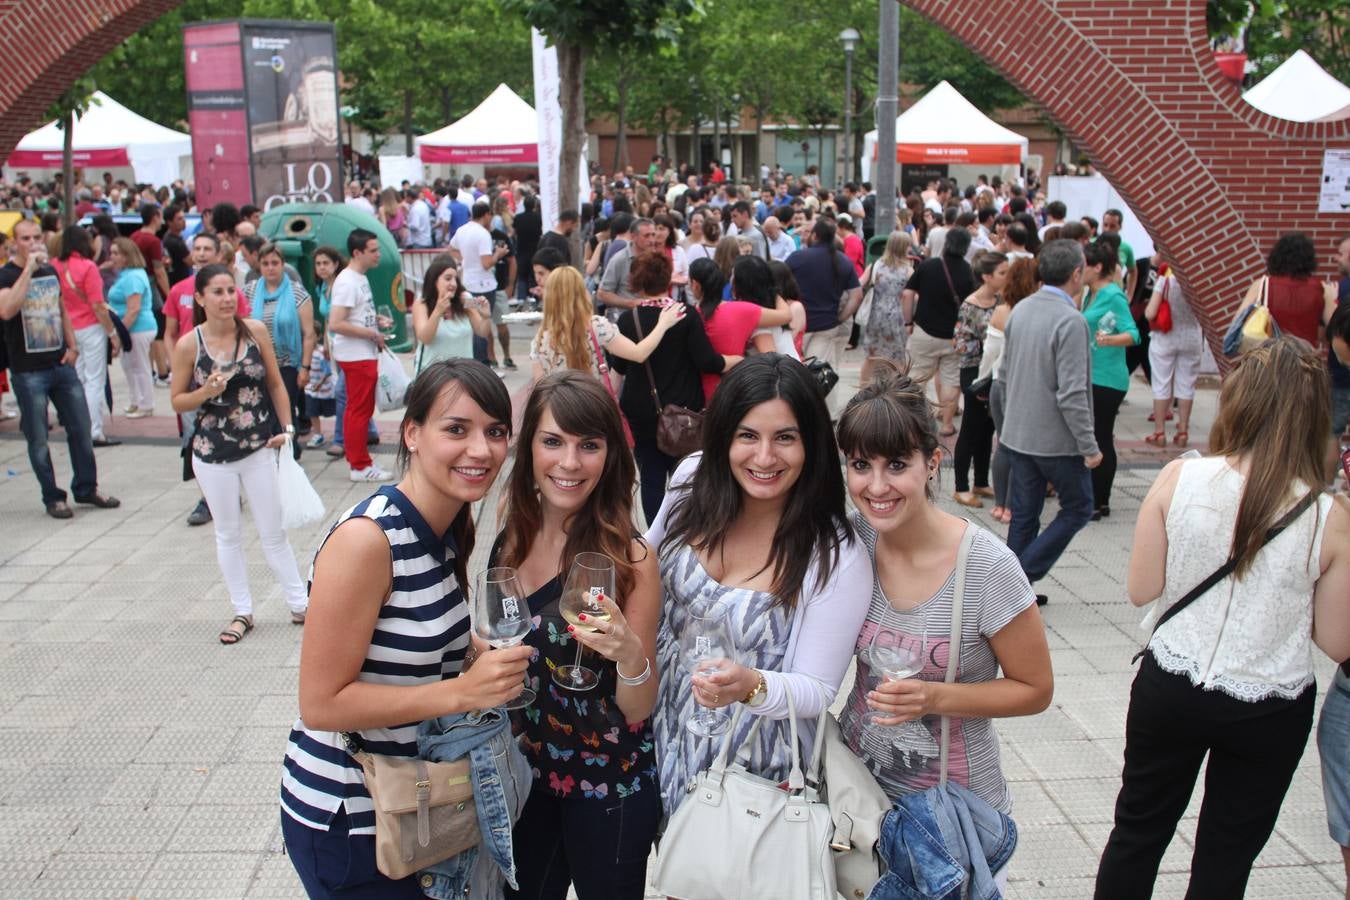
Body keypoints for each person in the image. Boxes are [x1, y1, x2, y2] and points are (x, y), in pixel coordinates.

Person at [1095, 336, 1350, 899]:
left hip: (1172, 682)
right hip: (1269, 701)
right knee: (1225, 858)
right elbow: (1337, 640)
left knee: (1137, 831)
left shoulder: (1178, 479)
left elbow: (1143, 589)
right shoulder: (1327, 516)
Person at [280, 359, 533, 898]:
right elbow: (321, 703)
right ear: (412, 433)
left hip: (411, 803)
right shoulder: (368, 541)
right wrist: (461, 692)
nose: (481, 450)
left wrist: (473, 651)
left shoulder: (445, 525)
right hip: (351, 817)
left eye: (495, 432)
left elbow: (412, 635)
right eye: (456, 429)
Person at [835, 361, 1052, 892]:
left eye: (897, 464)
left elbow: (1035, 689)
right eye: (861, 465)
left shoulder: (987, 567)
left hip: (949, 811)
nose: (877, 485)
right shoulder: (852, 542)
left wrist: (935, 697)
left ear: (932, 463)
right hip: (857, 791)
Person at [644, 354, 872, 817]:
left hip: (753, 767)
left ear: (811, 444)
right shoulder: (691, 478)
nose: (765, 457)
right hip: (660, 726)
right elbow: (646, 558)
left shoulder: (832, 554)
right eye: (748, 435)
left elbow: (816, 690)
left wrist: (751, 684)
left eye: (785, 438)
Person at [491, 371, 662, 899]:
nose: (569, 463)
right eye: (553, 442)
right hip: (524, 778)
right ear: (530, 450)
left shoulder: (631, 558)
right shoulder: (511, 539)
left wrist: (630, 654)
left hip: (608, 785)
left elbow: (637, 708)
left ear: (610, 455)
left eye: (588, 445)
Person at [169, 264, 308, 643]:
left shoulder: (254, 331)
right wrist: (205, 393)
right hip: (212, 454)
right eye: (217, 292)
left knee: (272, 531)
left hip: (259, 446)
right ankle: (242, 610)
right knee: (228, 533)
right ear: (199, 298)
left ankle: (300, 603)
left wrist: (288, 430)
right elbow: (178, 401)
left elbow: (277, 385)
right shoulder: (189, 345)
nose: (227, 298)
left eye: (231, 290)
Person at [1000, 240, 1101, 606]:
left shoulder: (1021, 309)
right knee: (1078, 507)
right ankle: (1020, 575)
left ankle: (1010, 587)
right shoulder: (1070, 320)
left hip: (1019, 431)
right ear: (1076, 274)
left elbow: (1005, 374)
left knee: (1025, 513)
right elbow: (1072, 394)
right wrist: (1089, 446)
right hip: (1055, 439)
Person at [0, 219, 119, 518]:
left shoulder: (51, 270)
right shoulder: (6, 275)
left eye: (36, 237)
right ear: (15, 243)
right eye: (25, 238)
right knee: (38, 437)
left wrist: (72, 346)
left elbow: (61, 308)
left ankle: (86, 487)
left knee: (80, 428)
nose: (32, 242)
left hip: (60, 363)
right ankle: (53, 496)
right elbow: (7, 309)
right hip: (28, 370)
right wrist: (27, 269)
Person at [528, 265, 683, 382]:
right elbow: (639, 353)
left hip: (560, 415)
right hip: (595, 411)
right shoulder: (596, 326)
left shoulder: (540, 339)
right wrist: (663, 323)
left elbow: (539, 389)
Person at [328, 228, 394, 483]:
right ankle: (360, 465)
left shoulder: (358, 278)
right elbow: (336, 323)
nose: (378, 255)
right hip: (356, 354)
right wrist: (371, 333)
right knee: (358, 410)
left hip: (362, 352)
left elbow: (353, 314)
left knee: (360, 409)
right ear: (357, 253)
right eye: (373, 251)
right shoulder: (347, 281)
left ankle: (361, 461)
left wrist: (375, 321)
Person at [1082, 241, 1139, 519]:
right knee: (1098, 436)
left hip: (1107, 379)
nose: (1079, 269)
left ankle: (1096, 501)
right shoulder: (1090, 294)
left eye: (1084, 264)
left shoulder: (1113, 295)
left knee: (1100, 437)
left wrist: (1108, 340)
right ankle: (1098, 500)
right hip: (1092, 376)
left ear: (1097, 267)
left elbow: (1133, 333)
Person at [902, 227, 976, 437]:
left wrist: (908, 321)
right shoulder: (968, 271)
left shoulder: (929, 266)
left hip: (924, 332)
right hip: (953, 337)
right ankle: (946, 424)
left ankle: (914, 425)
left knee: (916, 378)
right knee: (951, 380)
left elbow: (907, 294)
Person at [243, 243, 316, 452]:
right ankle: (272, 447)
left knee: (283, 406)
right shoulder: (250, 291)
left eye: (275, 263)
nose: (270, 268)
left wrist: (305, 367)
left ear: (283, 265)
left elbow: (308, 333)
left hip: (287, 362)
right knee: (261, 406)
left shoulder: (296, 293)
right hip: (258, 362)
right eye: (265, 263)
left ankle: (288, 448)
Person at [786, 219, 863, 417]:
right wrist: (841, 316)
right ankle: (827, 416)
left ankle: (797, 413)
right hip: (827, 326)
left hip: (795, 324)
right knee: (822, 373)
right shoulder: (843, 261)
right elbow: (856, 295)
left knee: (792, 372)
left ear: (815, 236)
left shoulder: (797, 258)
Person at [52, 225, 118, 447]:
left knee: (78, 380)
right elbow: (98, 304)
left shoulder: (54, 265)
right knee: (94, 380)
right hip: (90, 326)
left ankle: (79, 427)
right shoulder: (88, 266)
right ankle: (94, 430)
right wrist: (112, 333)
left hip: (67, 327)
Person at [951, 251, 1007, 508]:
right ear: (986, 276)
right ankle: (960, 485)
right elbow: (960, 343)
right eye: (1002, 273)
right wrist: (987, 345)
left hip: (995, 369)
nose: (1006, 278)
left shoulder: (1003, 301)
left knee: (988, 427)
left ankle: (981, 481)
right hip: (974, 371)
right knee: (971, 428)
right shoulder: (970, 305)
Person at [695, 255, 791, 402]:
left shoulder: (750, 316)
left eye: (733, 274)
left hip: (780, 385)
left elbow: (771, 359)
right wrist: (771, 289)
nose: (731, 278)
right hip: (787, 377)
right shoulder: (759, 310)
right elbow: (786, 315)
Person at [1238, 232, 1338, 348]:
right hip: (1305, 357)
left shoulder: (1262, 285)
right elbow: (1337, 329)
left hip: (1269, 356)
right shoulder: (1322, 289)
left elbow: (1238, 322)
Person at [1143, 261, 1203, 448]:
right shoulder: (1197, 283)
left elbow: (1150, 312)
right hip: (1191, 338)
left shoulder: (1166, 281)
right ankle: (1183, 431)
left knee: (1162, 383)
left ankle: (1159, 432)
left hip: (1165, 338)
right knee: (1187, 385)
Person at [411, 254, 491, 375]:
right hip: (433, 377)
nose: (453, 284)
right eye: (448, 278)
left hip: (463, 375)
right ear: (434, 281)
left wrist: (485, 316)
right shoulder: (421, 304)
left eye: (455, 279)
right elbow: (424, 338)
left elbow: (482, 332)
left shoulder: (465, 299)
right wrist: (438, 311)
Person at [107, 237, 157, 418]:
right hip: (130, 327)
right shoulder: (127, 274)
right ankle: (136, 401)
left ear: (127, 256)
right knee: (129, 366)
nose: (112, 257)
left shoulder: (133, 277)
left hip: (138, 327)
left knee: (139, 366)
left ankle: (146, 404)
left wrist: (120, 334)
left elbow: (134, 309)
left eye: (116, 253)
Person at [860, 231, 914, 384]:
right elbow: (911, 296)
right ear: (903, 247)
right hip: (897, 318)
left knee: (871, 357)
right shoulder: (908, 271)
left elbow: (859, 284)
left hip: (875, 316)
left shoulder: (875, 266)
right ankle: (898, 390)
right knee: (898, 359)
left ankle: (863, 388)